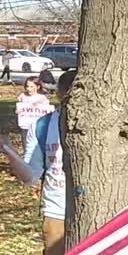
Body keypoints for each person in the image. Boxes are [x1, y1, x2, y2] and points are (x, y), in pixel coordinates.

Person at [0, 70, 77, 255]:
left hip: (98, 211)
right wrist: (8, 151)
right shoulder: (42, 125)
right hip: (56, 213)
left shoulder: (106, 129)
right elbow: (30, 176)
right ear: (58, 93)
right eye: (66, 92)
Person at [16, 76, 50, 146]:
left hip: (37, 127)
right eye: (27, 86)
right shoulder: (22, 96)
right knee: (26, 144)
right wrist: (18, 111)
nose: (29, 89)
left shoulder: (42, 98)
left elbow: (46, 111)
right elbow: (19, 108)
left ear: (37, 87)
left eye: (31, 87)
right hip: (26, 127)